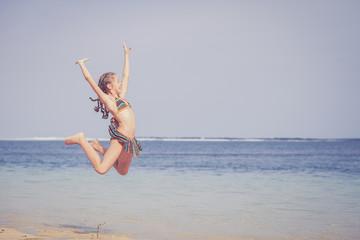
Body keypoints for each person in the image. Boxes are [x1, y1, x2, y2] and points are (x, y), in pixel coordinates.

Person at [65, 42, 142, 175]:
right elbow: (89, 80)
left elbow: (126, 76)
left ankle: (97, 147)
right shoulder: (109, 101)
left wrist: (126, 55)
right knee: (101, 169)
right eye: (117, 82)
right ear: (109, 86)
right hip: (120, 137)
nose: (121, 83)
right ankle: (81, 139)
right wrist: (82, 64)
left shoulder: (121, 98)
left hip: (130, 139)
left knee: (122, 171)